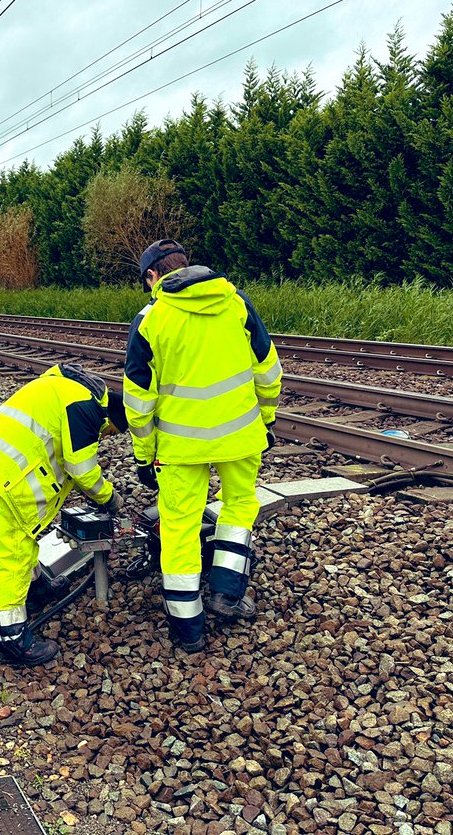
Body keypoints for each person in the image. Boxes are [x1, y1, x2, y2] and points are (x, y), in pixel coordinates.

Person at [123, 240, 282, 653]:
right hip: (240, 436)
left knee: (180, 526)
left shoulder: (150, 319)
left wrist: (144, 457)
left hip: (180, 448)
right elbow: (268, 370)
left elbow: (139, 403)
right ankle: (227, 594)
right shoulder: (236, 302)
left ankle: (188, 627)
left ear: (152, 277)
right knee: (239, 506)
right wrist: (265, 420)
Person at [0, 364, 129, 668]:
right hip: (7, 474)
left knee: (24, 539)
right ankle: (11, 639)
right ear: (111, 417)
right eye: (111, 432)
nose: (107, 436)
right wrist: (110, 498)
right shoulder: (86, 408)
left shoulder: (70, 389)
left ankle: (35, 590)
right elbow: (82, 470)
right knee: (16, 552)